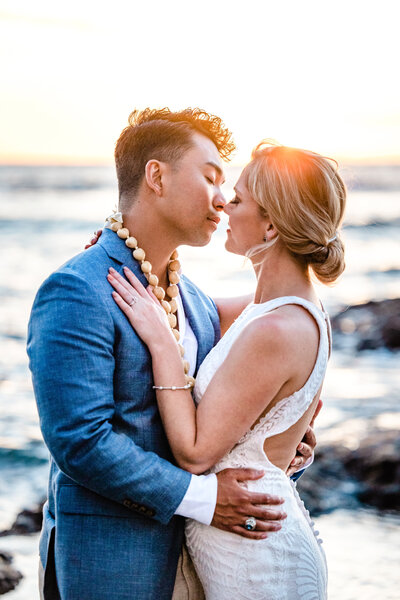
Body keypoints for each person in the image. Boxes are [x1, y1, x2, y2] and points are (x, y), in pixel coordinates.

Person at [27, 109, 315, 600]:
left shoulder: (196, 302)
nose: (223, 202)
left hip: (205, 565)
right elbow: (80, 441)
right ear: (156, 176)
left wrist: (277, 444)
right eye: (210, 178)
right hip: (112, 562)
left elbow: (286, 316)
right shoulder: (78, 289)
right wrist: (205, 499)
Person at [107, 140, 346, 599]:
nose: (223, 205)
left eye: (237, 199)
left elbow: (196, 454)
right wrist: (121, 247)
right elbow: (188, 308)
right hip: (241, 548)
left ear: (271, 227)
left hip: (258, 566)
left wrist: (162, 343)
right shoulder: (267, 309)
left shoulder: (277, 328)